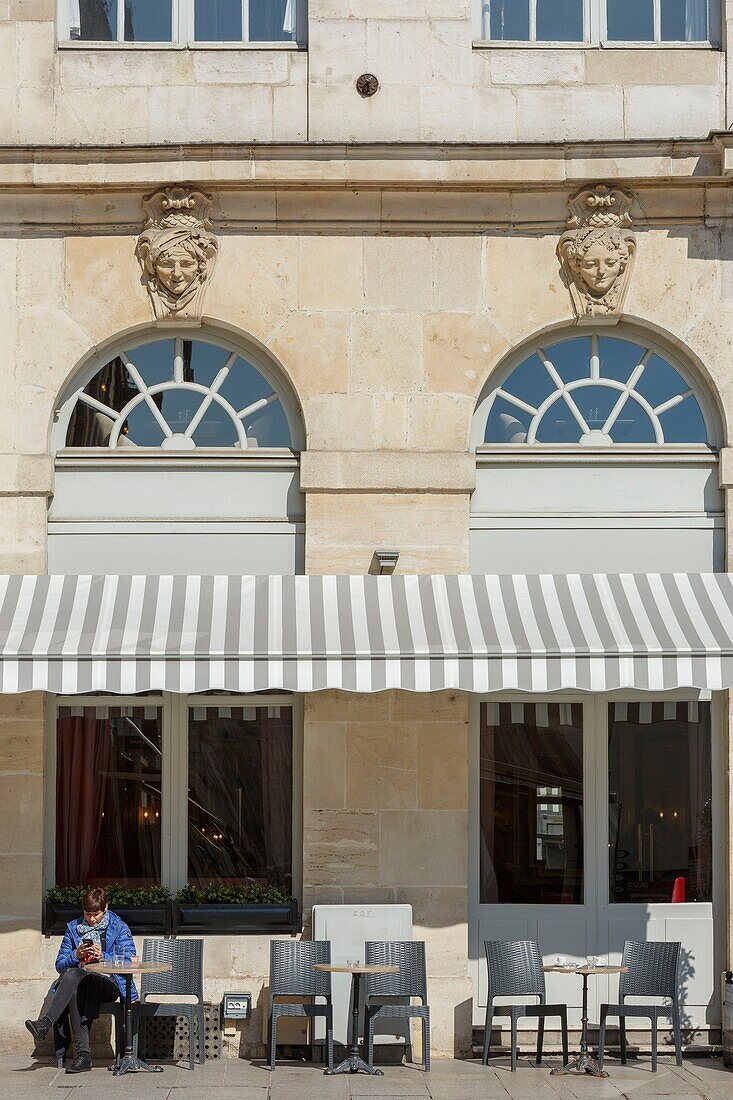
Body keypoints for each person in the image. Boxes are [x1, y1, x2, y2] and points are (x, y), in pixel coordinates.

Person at [25, 886, 137, 1074]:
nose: (92, 919)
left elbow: (131, 960)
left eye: (96, 914)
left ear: (106, 908)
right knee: (75, 980)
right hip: (81, 982)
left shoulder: (119, 927)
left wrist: (104, 956)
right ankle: (83, 1057)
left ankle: (45, 1024)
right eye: (87, 914)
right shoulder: (73, 929)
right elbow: (60, 965)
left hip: (109, 983)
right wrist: (75, 955)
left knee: (74, 977)